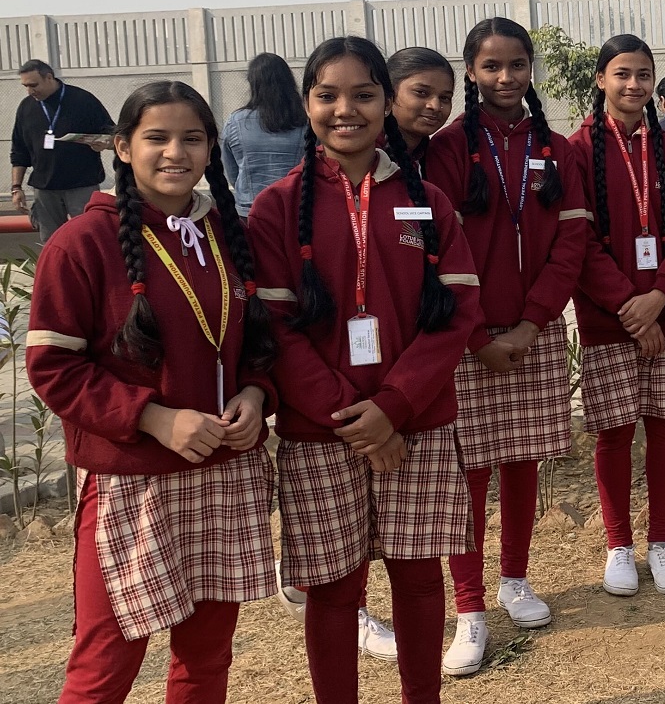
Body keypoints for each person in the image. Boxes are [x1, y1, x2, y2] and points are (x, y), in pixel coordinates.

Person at [27, 80, 278, 703]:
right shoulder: (80, 244)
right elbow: (53, 369)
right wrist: (153, 418)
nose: (175, 153)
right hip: (132, 479)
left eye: (192, 139)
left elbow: (258, 343)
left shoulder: (229, 234)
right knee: (105, 663)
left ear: (212, 148)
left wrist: (255, 394)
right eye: (157, 138)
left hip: (223, 471)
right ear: (122, 146)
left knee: (206, 657)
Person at [248, 36, 481, 704]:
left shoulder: (427, 200)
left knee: (418, 577)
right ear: (306, 104)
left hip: (416, 425)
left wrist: (395, 406)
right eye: (328, 95)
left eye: (363, 95)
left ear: (386, 103)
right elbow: (277, 329)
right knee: (333, 588)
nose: (345, 109)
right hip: (321, 431)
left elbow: (457, 312)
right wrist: (356, 417)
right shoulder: (276, 208)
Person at [424, 17, 587, 675]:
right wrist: (474, 335)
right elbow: (437, 252)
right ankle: (469, 607)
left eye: (516, 64)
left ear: (530, 69)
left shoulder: (556, 147)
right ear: (470, 71)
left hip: (532, 331)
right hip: (467, 338)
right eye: (491, 66)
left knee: (522, 462)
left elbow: (570, 243)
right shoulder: (445, 148)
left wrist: (533, 322)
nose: (505, 77)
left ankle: (514, 580)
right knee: (467, 472)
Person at [571, 34, 665, 598]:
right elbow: (578, 244)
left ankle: (661, 542)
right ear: (601, 79)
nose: (634, 85)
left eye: (644, 75)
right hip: (610, 321)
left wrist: (659, 299)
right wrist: (633, 309)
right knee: (614, 434)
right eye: (622, 74)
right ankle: (618, 545)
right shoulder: (575, 149)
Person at [10, 59, 115, 243]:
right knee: (51, 242)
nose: (30, 91)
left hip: (82, 184)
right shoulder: (26, 107)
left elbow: (113, 136)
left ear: (49, 77)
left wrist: (105, 143)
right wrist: (16, 188)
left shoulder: (82, 100)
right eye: (25, 86)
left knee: (88, 237)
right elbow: (19, 151)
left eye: (34, 85)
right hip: (45, 188)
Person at [223, 53, 305, 217]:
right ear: (288, 81)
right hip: (294, 209)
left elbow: (232, 172)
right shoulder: (305, 121)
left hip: (249, 211)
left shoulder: (235, 121)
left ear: (253, 83)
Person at [388, 47, 456, 167]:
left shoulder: (435, 157)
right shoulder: (365, 155)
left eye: (444, 98)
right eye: (421, 92)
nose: (435, 106)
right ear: (389, 94)